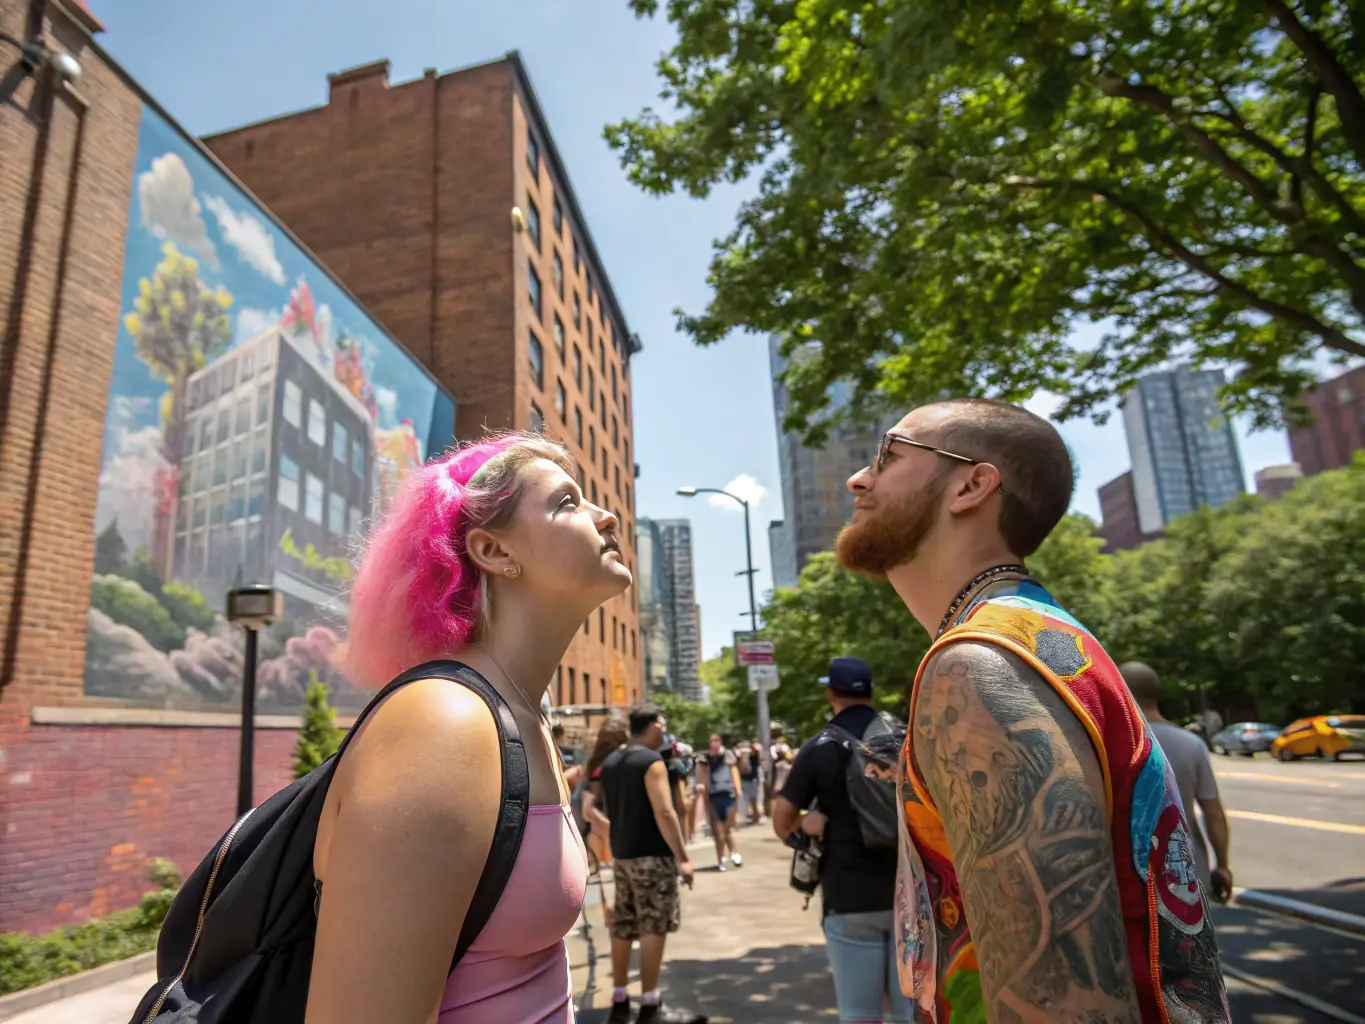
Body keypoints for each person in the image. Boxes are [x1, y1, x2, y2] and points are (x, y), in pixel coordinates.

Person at [837, 399, 1229, 1023]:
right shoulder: (1031, 639)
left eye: (889, 455)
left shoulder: (978, 665)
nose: (860, 478)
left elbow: (1068, 1007)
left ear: (970, 485)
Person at [307, 432, 632, 1023]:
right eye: (567, 502)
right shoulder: (444, 723)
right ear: (492, 550)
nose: (605, 514)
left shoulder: (525, 714)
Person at [773, 657, 912, 1024]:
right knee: (911, 1014)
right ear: (870, 692)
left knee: (859, 1015)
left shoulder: (821, 746)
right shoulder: (904, 740)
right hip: (911, 896)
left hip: (847, 896)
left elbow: (782, 820)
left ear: (830, 693)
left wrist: (808, 826)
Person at [599, 705, 705, 1024]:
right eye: (664, 724)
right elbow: (665, 812)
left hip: (623, 855)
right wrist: (683, 858)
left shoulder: (611, 762)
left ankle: (619, 1000)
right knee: (652, 925)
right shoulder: (651, 761)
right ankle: (650, 1004)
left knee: (623, 924)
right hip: (652, 856)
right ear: (655, 726)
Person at [1121, 662, 1233, 903]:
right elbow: (1213, 814)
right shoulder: (1192, 744)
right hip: (1188, 871)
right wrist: (1223, 866)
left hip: (1131, 876)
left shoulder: (1112, 746)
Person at [697, 733, 742, 870]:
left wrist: (738, 788)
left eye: (717, 741)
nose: (714, 743)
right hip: (714, 795)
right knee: (718, 832)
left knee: (727, 829)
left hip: (729, 794)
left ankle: (733, 853)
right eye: (712, 741)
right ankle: (721, 858)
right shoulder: (705, 758)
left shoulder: (728, 755)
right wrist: (702, 788)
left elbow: (734, 771)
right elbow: (702, 775)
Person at [738, 739, 763, 824]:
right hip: (745, 779)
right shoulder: (740, 756)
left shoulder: (754, 756)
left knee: (754, 799)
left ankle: (756, 816)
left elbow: (758, 752)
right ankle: (752, 816)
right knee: (748, 799)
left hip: (752, 779)